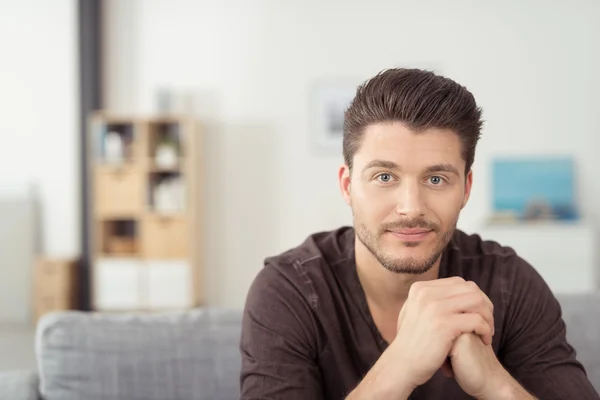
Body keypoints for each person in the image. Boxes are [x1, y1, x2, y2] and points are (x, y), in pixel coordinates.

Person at [238, 68, 600, 399]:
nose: (411, 207)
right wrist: (401, 364)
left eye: (436, 179)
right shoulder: (288, 291)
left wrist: (494, 383)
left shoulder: (508, 282)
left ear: (466, 188)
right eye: (384, 177)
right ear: (348, 186)